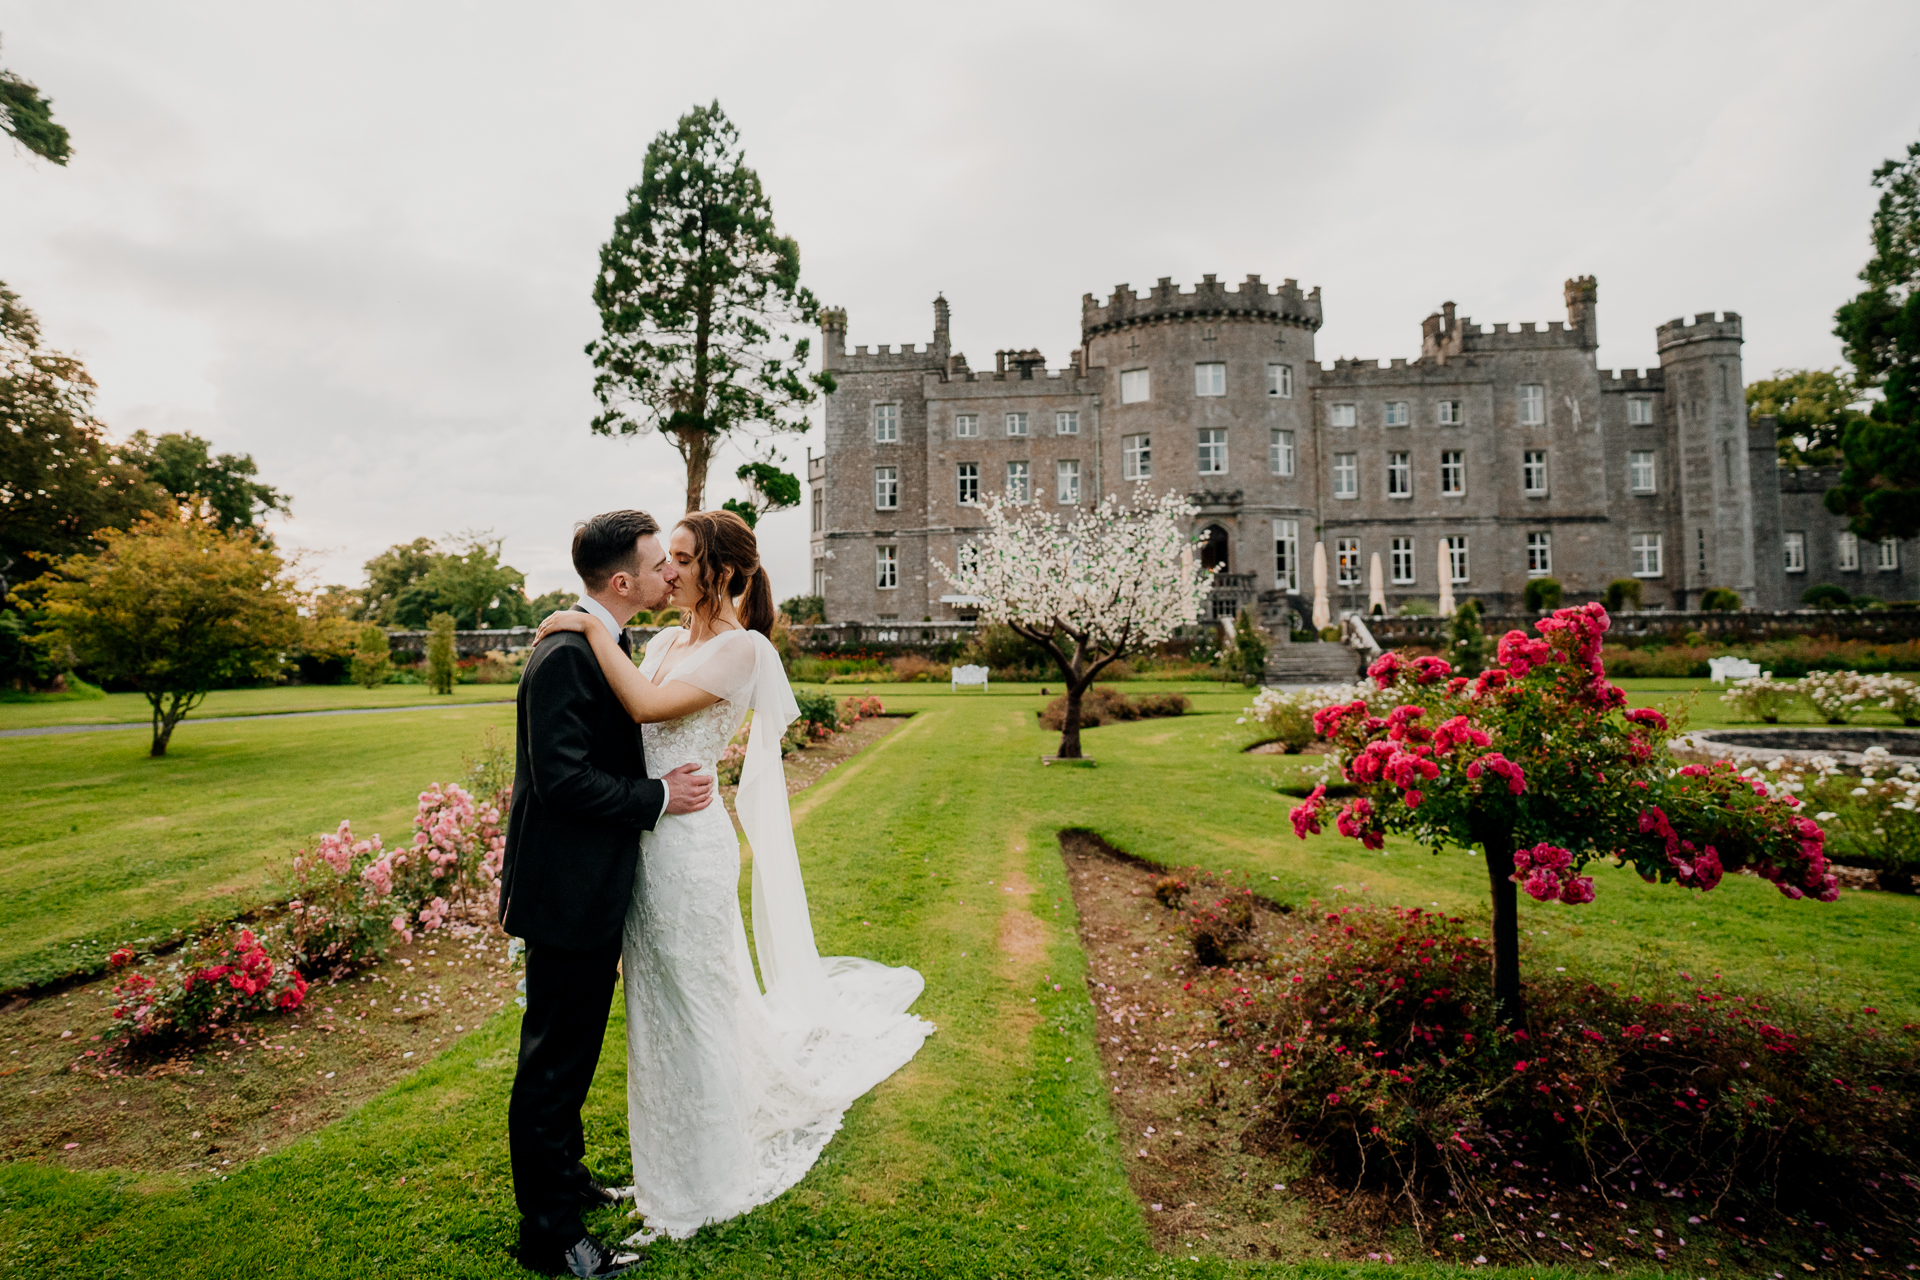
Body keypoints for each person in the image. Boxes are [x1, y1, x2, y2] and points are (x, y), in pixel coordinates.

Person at [533, 508, 934, 1246]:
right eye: (666, 560)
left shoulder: (744, 651)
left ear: (718, 570)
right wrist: (603, 636)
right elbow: (622, 724)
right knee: (657, 1009)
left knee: (698, 1004)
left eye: (681, 559)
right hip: (641, 839)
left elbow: (650, 707)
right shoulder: (659, 641)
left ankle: (705, 1180)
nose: (668, 571)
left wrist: (591, 628)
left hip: (687, 848)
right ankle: (665, 1163)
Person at [502, 509, 716, 1279]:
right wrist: (655, 797)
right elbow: (560, 780)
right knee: (554, 1064)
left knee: (573, 1052)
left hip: (586, 887)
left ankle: (567, 1183)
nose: (670, 574)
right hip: (565, 891)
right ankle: (551, 1237)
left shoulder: (601, 640)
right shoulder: (565, 652)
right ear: (623, 581)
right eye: (660, 564)